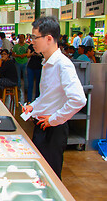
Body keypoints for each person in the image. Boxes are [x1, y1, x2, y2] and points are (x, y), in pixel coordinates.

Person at [23, 16, 86, 179]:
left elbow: (79, 99)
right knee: (40, 175)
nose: (32, 42)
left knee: (50, 178)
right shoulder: (47, 62)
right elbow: (47, 96)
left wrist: (54, 119)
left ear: (49, 38)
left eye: (35, 37)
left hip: (53, 130)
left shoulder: (62, 64)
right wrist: (33, 106)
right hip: (43, 125)